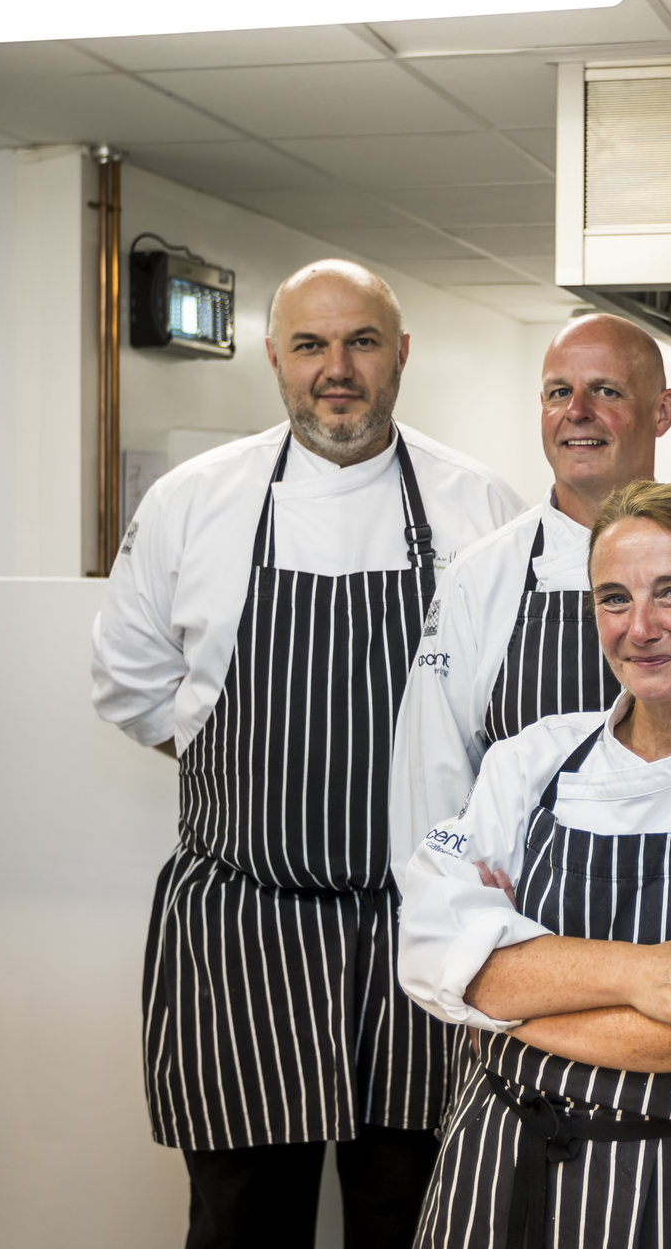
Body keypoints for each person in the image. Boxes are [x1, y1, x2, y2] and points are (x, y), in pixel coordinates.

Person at [92, 259, 524, 1247]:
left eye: (362, 341)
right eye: (311, 344)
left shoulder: (477, 505)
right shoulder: (193, 502)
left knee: (414, 1216)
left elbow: (514, 712)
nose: (338, 368)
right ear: (274, 357)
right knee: (244, 1219)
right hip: (244, 933)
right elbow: (129, 683)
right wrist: (243, 773)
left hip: (420, 935)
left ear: (401, 354)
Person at [399, 481, 671, 1249]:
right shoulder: (527, 760)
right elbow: (431, 950)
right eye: (613, 598)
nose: (639, 628)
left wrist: (503, 997)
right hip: (493, 1161)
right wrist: (649, 975)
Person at [390, 311, 671, 861]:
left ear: (661, 412)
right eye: (558, 393)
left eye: (606, 391)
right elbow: (433, 782)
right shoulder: (481, 576)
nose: (577, 413)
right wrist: (454, 916)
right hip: (524, 930)